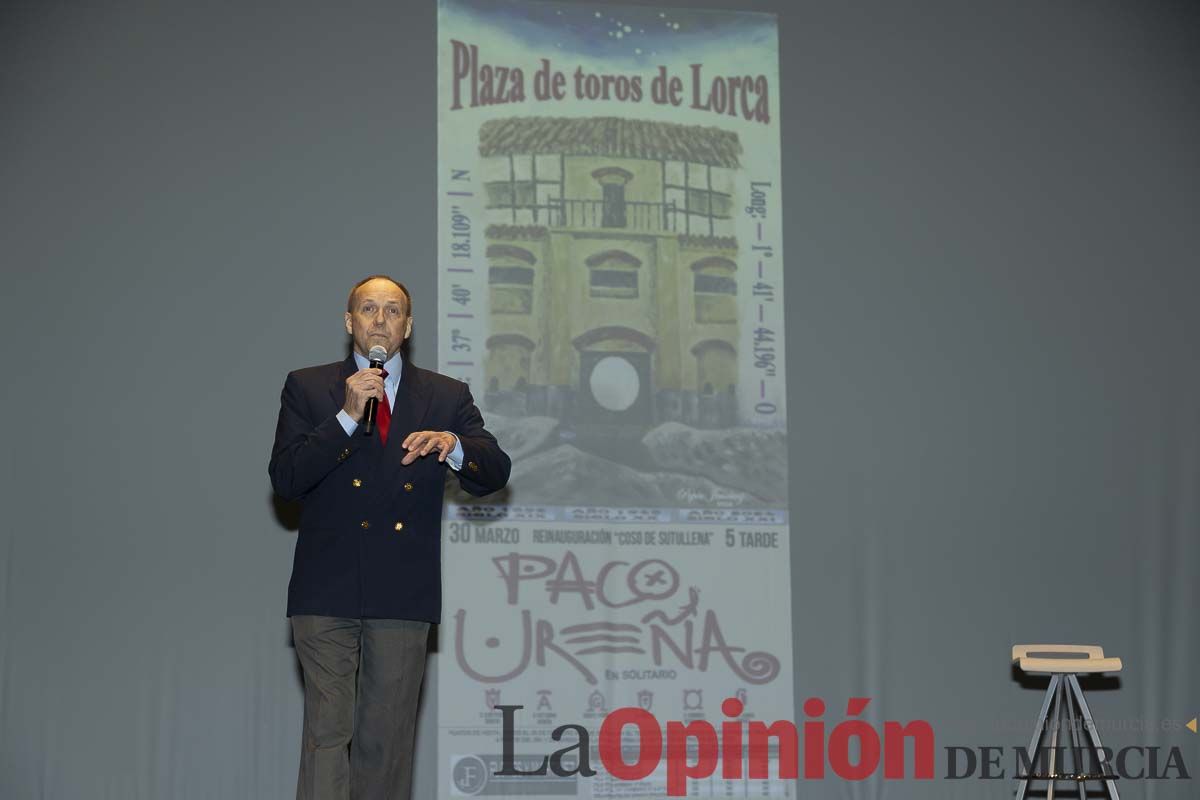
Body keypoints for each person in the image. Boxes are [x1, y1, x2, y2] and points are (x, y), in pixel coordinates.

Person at [268, 275, 510, 800]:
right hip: (326, 587)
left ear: (409, 326)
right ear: (349, 322)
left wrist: (454, 444)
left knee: (386, 739)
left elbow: (495, 469)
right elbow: (285, 480)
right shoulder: (309, 387)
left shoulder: (446, 395)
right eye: (369, 309)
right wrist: (345, 417)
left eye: (393, 310)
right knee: (328, 733)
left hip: (403, 589)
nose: (380, 320)